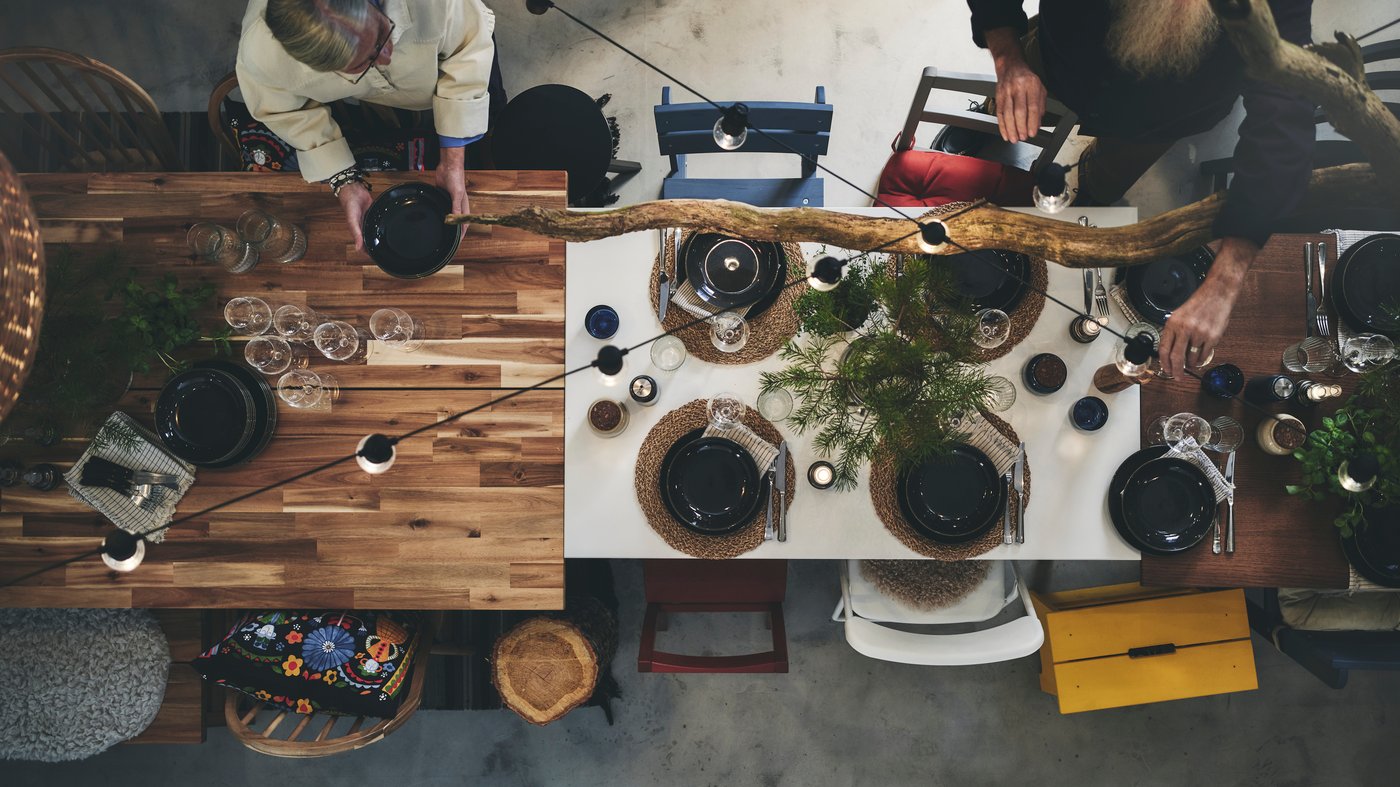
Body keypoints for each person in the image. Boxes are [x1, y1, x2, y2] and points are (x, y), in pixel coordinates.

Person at [967, 0, 1315, 377]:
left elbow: (1285, 117)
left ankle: (1090, 194)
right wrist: (1008, 59)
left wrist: (1226, 281)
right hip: (1060, 62)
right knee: (1006, 114)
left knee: (1102, 186)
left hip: (1158, 122)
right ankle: (981, 120)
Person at [236, 0, 496, 249]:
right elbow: (285, 112)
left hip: (445, 69)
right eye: (363, 63)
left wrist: (453, 161)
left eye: (382, 32)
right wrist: (344, 181)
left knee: (494, 115)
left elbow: (469, 47)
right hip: (363, 101)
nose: (387, 57)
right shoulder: (262, 53)